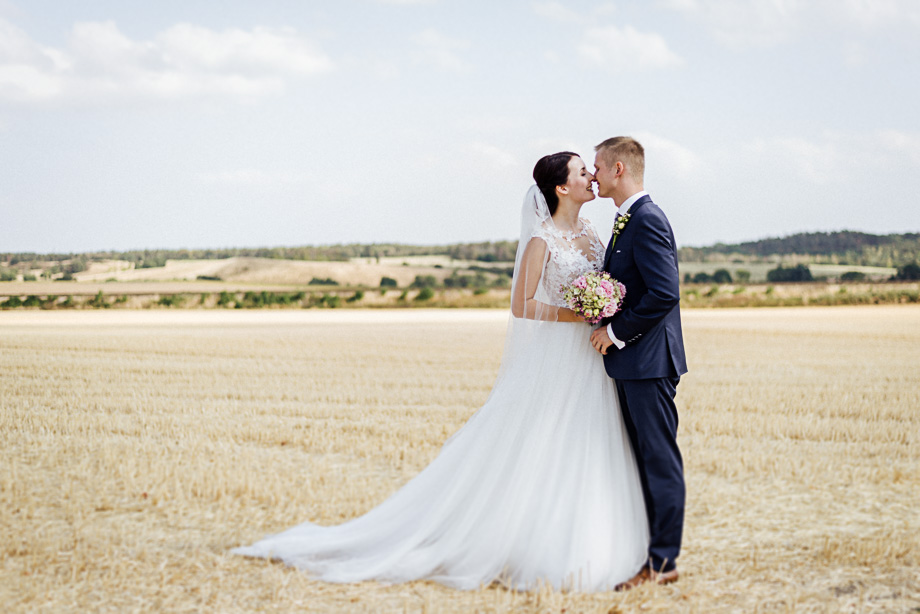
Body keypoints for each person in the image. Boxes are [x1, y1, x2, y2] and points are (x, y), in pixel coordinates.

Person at [232, 152, 650, 592]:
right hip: (562, 353)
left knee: (588, 438)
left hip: (593, 355)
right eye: (582, 171)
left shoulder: (591, 230)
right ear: (561, 188)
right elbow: (522, 304)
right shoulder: (541, 240)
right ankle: (531, 543)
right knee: (545, 438)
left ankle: (594, 537)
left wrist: (606, 308)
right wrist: (579, 313)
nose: (591, 176)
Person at [589, 137, 688, 590]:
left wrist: (614, 331)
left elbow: (665, 293)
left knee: (659, 461)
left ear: (618, 169)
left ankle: (663, 563)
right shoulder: (626, 219)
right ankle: (645, 552)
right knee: (643, 460)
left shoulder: (646, 219)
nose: (592, 175)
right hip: (635, 365)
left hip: (648, 363)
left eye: (596, 167)